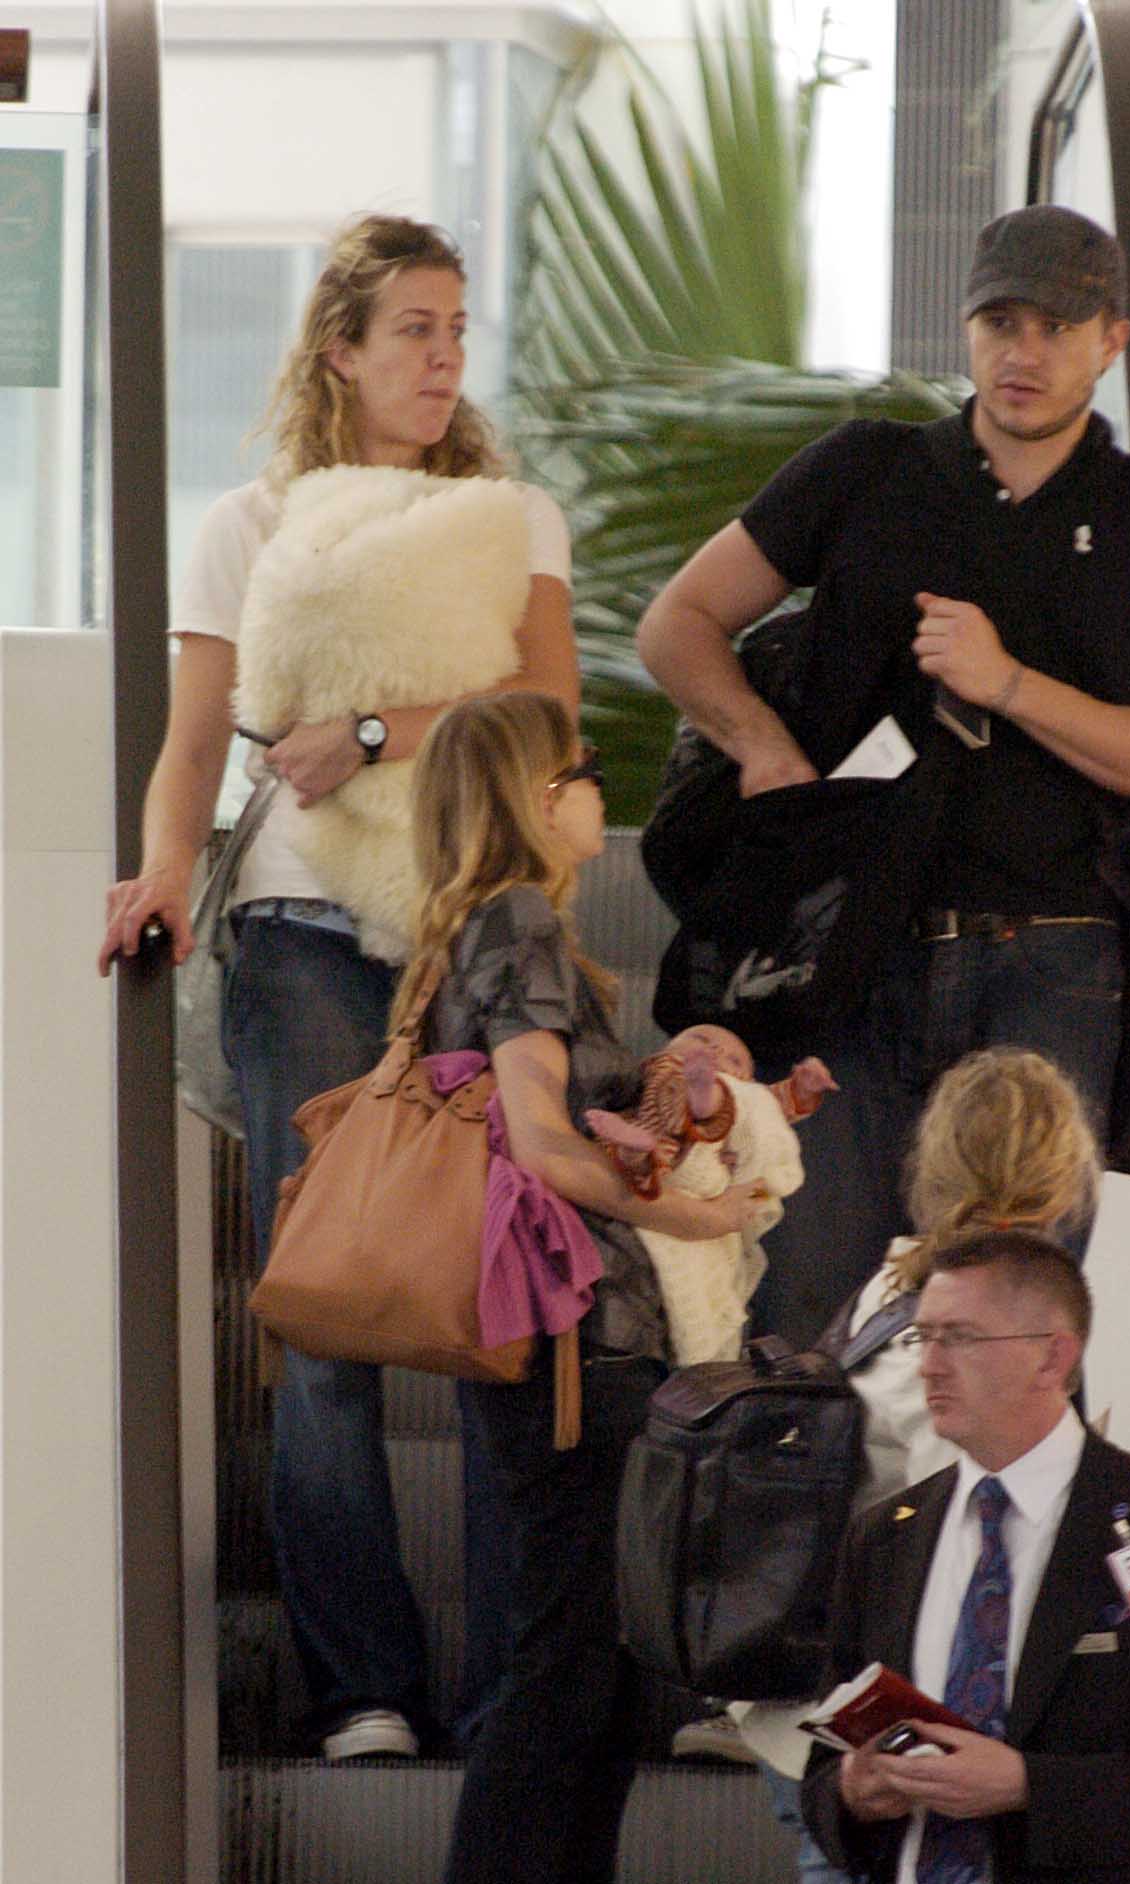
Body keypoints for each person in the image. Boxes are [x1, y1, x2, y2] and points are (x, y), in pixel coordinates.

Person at [97, 214, 578, 1759]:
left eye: (456, 329)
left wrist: (379, 729)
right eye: (414, 330)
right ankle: (365, 1686)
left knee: (501, 1308)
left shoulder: (512, 522)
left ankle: (515, 1695)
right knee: (326, 1317)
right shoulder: (250, 522)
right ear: (341, 352)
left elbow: (550, 710)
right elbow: (189, 746)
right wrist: (162, 869)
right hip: (300, 934)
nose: (444, 358)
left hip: (474, 929)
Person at [637, 203, 1130, 1346]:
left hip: (1054, 965)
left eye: (1057, 326)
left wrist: (1008, 682)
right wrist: (764, 751)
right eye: (1000, 321)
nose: (1023, 353)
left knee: (1007, 1336)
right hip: (847, 952)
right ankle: (806, 1525)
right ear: (965, 328)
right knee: (797, 1324)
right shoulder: (869, 470)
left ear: (1113, 339)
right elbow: (677, 621)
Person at [725, 1048, 1130, 1884]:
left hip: (805, 1716)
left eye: (961, 1344)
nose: (935, 1362)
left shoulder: (884, 1294)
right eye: (941, 1344)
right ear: (1069, 1178)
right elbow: (991, 1508)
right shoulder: (962, 1344)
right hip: (882, 1753)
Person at [392, 691, 761, 1884]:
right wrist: (691, 1211)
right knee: (569, 1670)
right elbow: (545, 1146)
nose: (602, 790)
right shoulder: (516, 924)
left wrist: (671, 1082)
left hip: (574, 1343)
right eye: (587, 768)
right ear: (535, 792)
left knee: (596, 1674)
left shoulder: (493, 932)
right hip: (575, 1347)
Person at [800, 1229, 1130, 1883]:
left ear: (1051, 1359)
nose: (929, 1364)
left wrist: (1027, 1786)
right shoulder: (884, 1537)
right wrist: (852, 1789)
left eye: (958, 1338)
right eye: (921, 1337)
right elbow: (823, 1770)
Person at [585, 1024, 836, 1363]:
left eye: (733, 1058)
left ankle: (694, 1104)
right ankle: (640, 1142)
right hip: (661, 1149)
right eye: (702, 1040)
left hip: (704, 1163)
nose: (715, 1052)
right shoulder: (653, 1072)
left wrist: (804, 1089)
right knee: (632, 1152)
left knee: (722, 1100)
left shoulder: (747, 1095)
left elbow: (777, 1107)